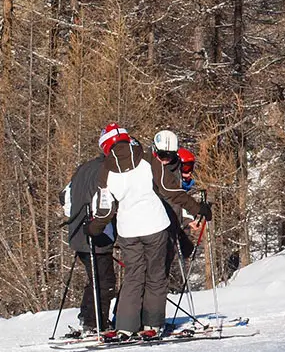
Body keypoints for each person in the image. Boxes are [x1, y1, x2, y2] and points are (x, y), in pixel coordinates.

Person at [88, 124, 210, 340]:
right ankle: (152, 325)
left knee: (133, 276)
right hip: (155, 226)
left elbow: (105, 208)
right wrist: (198, 208)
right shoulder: (146, 159)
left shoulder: (105, 170)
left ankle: (125, 327)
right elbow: (171, 189)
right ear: (127, 140)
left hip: (128, 231)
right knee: (155, 275)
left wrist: (94, 228)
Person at [61, 151, 117, 336]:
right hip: (96, 233)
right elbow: (103, 203)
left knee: (96, 278)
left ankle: (87, 318)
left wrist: (74, 217)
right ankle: (95, 324)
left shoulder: (84, 168)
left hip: (77, 232)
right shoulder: (108, 170)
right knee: (105, 280)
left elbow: (65, 197)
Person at [152, 130, 198, 293]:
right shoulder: (160, 173)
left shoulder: (177, 176)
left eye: (190, 167)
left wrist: (188, 219)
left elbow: (179, 203)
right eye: (185, 167)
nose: (188, 171)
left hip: (172, 226)